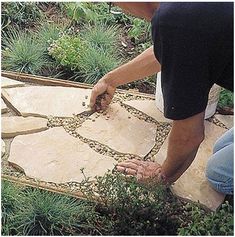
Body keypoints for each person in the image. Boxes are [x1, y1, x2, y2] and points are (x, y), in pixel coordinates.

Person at [89, 3, 234, 194]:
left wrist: (161, 177)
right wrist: (111, 80)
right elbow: (178, 46)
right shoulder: (185, 13)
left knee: (219, 173)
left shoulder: (176, 20)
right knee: (222, 147)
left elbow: (190, 136)